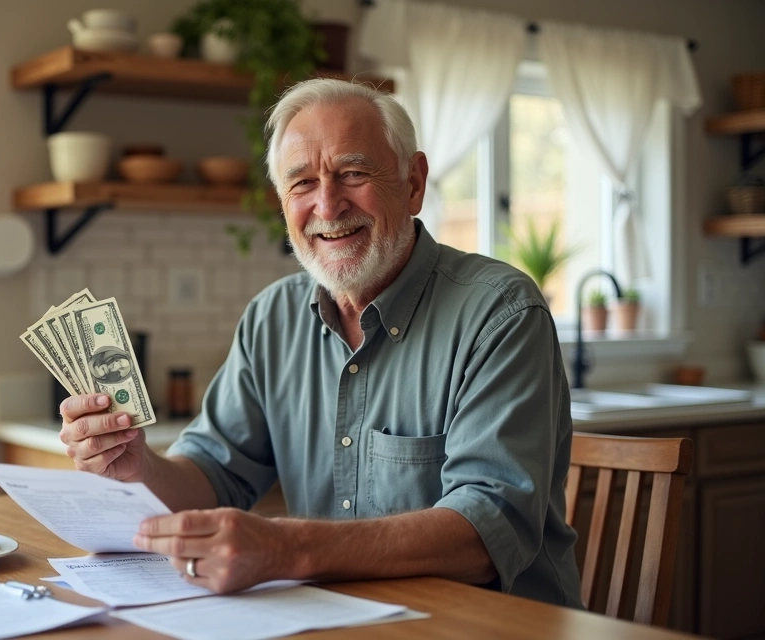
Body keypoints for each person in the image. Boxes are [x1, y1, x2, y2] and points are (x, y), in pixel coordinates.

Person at [58, 78, 582, 608]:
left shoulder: (501, 312)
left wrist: (289, 547)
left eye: (353, 174)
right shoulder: (272, 318)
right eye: (302, 183)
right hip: (337, 619)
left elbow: (487, 533)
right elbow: (214, 472)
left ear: (414, 183)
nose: (328, 206)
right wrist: (139, 466)